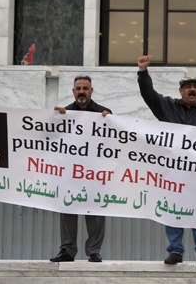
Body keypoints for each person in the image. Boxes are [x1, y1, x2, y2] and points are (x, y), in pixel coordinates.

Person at [138, 56, 196, 266]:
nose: (192, 89)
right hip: (173, 173)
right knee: (171, 210)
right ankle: (175, 250)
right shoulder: (168, 107)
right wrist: (143, 72)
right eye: (188, 87)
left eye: (195, 87)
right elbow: (149, 95)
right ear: (180, 91)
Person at [49, 75, 112, 263]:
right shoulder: (65, 113)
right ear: (73, 92)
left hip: (94, 173)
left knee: (96, 213)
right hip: (70, 174)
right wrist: (55, 119)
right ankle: (67, 251)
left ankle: (94, 251)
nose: (82, 92)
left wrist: (110, 119)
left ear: (91, 91)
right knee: (67, 210)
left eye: (85, 88)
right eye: (78, 89)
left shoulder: (104, 113)